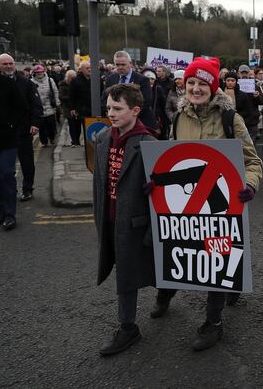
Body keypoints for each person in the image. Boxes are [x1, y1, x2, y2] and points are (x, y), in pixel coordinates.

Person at [148, 57, 262, 350]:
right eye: (191, 83)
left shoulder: (230, 118)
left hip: (219, 204)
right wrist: (157, 181)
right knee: (178, 247)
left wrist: (249, 184)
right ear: (184, 85)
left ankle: (214, 322)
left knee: (215, 258)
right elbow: (173, 160)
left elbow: (252, 161)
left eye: (202, 83)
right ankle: (167, 291)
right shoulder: (178, 118)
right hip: (186, 203)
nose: (196, 89)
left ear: (213, 86)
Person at [94, 83, 157, 356]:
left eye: (117, 109)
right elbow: (99, 182)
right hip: (110, 220)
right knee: (125, 272)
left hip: (135, 224)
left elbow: (159, 196)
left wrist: (150, 230)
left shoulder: (150, 144)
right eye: (108, 108)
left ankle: (127, 327)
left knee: (128, 276)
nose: (111, 113)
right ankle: (131, 324)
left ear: (135, 110)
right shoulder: (103, 138)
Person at [0, 45, 27, 231]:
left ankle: (10, 214)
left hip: (6, 140)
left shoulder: (6, 83)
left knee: (5, 174)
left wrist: (11, 126)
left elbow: (21, 108)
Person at [0, 54, 41, 200]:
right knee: (5, 166)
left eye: (11, 63)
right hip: (3, 132)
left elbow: (35, 105)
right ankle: (10, 190)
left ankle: (28, 188)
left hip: (23, 129)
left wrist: (35, 123)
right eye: (5, 64)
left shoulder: (26, 83)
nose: (9, 66)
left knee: (27, 162)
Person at [104, 51, 159, 134]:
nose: (120, 67)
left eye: (123, 64)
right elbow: (104, 99)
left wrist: (129, 115)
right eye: (117, 65)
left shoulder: (142, 79)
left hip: (141, 122)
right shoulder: (110, 79)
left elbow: (146, 101)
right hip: (118, 125)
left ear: (130, 64)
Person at [222, 71, 263, 139]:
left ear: (236, 81)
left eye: (232, 80)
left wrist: (257, 96)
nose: (230, 82)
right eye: (228, 80)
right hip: (225, 124)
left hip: (245, 124)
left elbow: (260, 102)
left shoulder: (243, 94)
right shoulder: (221, 93)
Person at [31, 65, 61, 147]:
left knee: (51, 124)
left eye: (41, 72)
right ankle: (44, 141)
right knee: (42, 126)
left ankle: (52, 137)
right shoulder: (31, 82)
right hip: (38, 108)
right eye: (37, 72)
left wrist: (57, 103)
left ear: (44, 72)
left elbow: (55, 91)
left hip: (49, 106)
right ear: (35, 73)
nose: (39, 73)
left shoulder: (50, 80)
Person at [69, 61, 93, 139]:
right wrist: (73, 108)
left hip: (95, 108)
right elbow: (72, 96)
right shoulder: (75, 81)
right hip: (82, 109)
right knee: (85, 129)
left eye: (90, 68)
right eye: (87, 68)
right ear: (81, 69)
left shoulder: (96, 78)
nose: (89, 69)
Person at [58, 69, 79, 147]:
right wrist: (71, 97)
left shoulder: (76, 83)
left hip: (76, 107)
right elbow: (61, 96)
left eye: (74, 77)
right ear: (68, 77)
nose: (73, 79)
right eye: (71, 78)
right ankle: (74, 141)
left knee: (77, 125)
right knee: (72, 124)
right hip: (67, 107)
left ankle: (77, 140)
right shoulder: (63, 85)